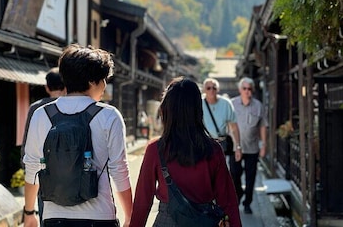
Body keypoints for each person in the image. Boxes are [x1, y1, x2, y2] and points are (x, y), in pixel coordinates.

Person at [23, 44, 132, 227]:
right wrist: (130, 215)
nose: (105, 86)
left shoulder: (41, 114)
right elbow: (119, 169)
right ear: (92, 81)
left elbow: (32, 167)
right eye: (103, 79)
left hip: (53, 217)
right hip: (99, 217)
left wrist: (29, 212)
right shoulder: (109, 115)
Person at [130, 77, 241, 227]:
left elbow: (142, 202)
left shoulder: (156, 149)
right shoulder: (213, 150)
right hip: (204, 220)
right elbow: (228, 201)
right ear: (198, 110)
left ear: (166, 110)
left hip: (167, 221)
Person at [21, 67, 66, 226]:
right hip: (71, 169)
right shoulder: (72, 105)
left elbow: (27, 141)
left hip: (43, 171)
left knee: (46, 214)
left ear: (47, 87)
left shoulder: (37, 108)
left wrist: (25, 167)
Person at [230, 77, 267, 214]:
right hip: (235, 147)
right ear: (240, 90)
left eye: (249, 89)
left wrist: (263, 145)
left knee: (251, 176)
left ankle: (248, 203)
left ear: (252, 90)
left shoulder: (258, 105)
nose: (247, 91)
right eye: (244, 88)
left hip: (252, 147)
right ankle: (238, 195)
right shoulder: (232, 104)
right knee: (234, 174)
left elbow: (263, 126)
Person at [202, 78, 242, 162]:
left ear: (218, 89)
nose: (211, 90)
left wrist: (238, 146)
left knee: (221, 170)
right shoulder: (198, 104)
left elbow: (234, 127)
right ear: (204, 90)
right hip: (204, 144)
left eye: (214, 88)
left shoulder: (226, 103)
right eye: (208, 88)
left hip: (221, 144)